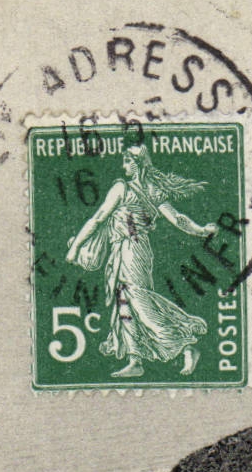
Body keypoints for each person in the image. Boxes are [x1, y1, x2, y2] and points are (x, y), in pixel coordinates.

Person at [65, 144, 217, 377]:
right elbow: (177, 219)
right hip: (128, 250)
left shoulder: (121, 187)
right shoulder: (153, 190)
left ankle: (185, 345)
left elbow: (97, 219)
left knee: (137, 299)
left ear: (136, 165)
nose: (123, 166)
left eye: (127, 162)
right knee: (124, 302)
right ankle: (135, 360)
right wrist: (200, 230)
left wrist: (75, 247)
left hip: (131, 250)